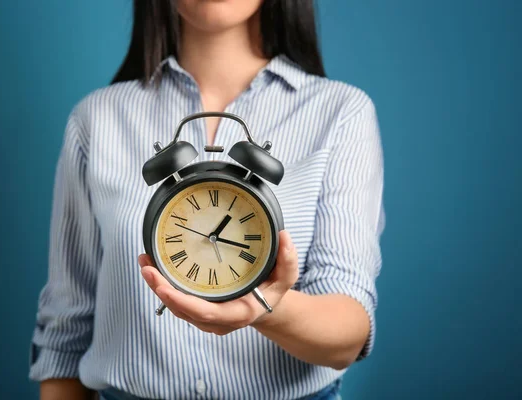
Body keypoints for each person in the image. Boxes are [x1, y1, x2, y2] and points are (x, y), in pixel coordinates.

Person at [28, 0, 385, 399]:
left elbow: (348, 334)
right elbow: (66, 329)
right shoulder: (97, 119)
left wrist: (266, 307)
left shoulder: (340, 113)